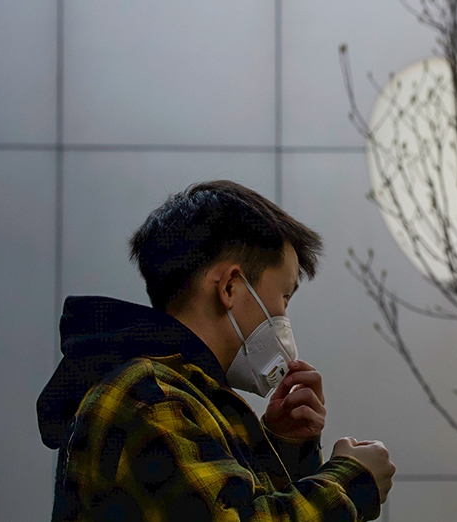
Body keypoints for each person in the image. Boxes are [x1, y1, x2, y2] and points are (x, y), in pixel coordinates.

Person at [36, 180, 395, 521]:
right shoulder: (149, 397)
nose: (284, 316)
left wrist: (283, 446)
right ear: (230, 287)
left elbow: (225, 504)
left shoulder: (179, 394)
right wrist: (351, 482)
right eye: (284, 296)